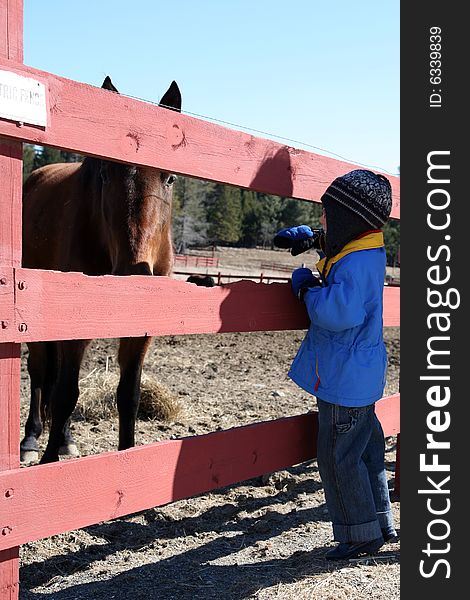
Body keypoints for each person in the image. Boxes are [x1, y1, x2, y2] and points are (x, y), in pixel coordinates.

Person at [274, 169, 398, 560]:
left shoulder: (357, 263)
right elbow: (345, 254)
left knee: (337, 457)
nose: (321, 219)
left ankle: (358, 535)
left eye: (327, 214)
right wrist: (315, 238)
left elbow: (340, 311)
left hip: (344, 378)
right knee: (366, 452)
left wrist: (309, 289)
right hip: (360, 375)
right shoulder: (367, 250)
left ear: (347, 219)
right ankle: (378, 520)